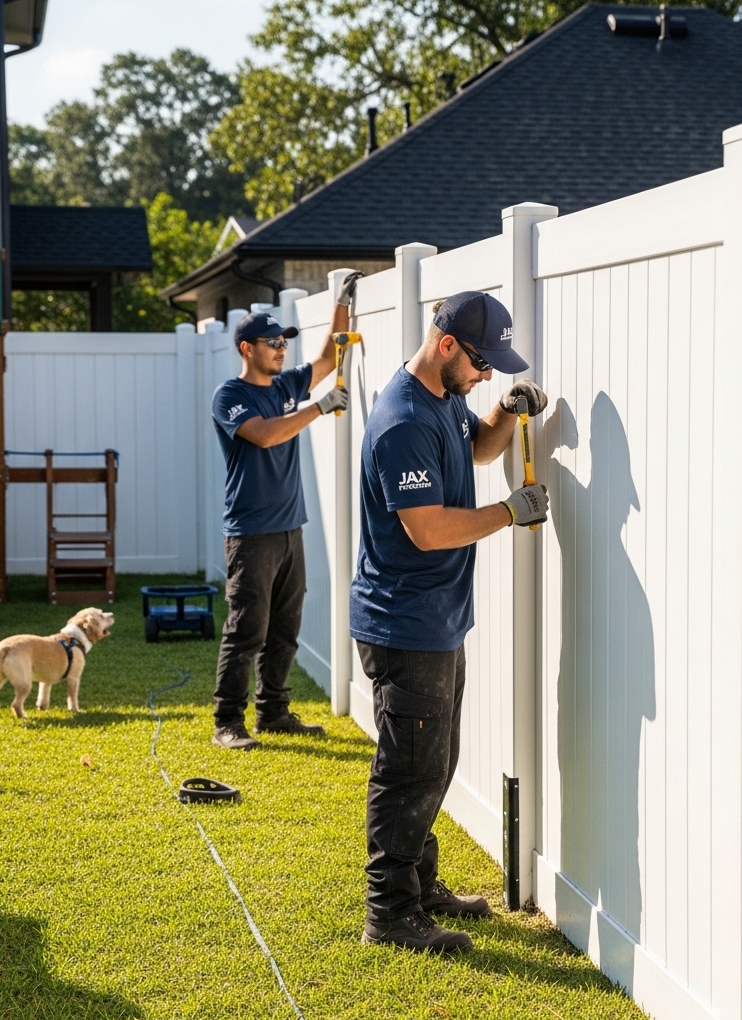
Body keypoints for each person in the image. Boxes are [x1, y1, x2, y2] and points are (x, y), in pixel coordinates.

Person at [350, 290, 549, 952]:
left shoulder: (441, 401)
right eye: (482, 363)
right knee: (409, 767)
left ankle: (418, 886)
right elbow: (429, 529)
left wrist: (502, 412)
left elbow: (478, 450)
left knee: (434, 762)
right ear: (445, 346)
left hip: (432, 622)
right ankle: (390, 915)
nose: (488, 372)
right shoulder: (403, 419)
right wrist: (510, 512)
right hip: (402, 625)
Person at [210, 273, 362, 750]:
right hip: (250, 532)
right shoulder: (230, 397)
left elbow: (328, 356)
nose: (281, 348)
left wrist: (341, 302)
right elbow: (265, 435)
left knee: (285, 628)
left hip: (289, 528)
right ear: (246, 348)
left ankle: (273, 713)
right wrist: (317, 409)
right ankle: (227, 723)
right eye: (272, 342)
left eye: (283, 342)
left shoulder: (287, 385)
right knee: (246, 629)